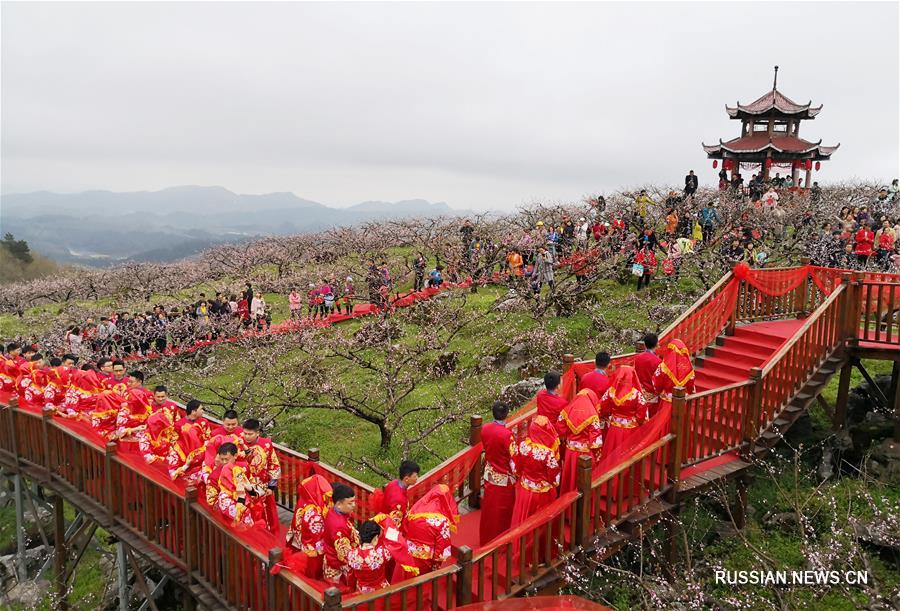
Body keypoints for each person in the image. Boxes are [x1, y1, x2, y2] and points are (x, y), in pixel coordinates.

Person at [510, 415, 560, 524]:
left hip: (525, 489)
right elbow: (555, 480)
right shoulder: (547, 453)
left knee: (523, 519)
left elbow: (515, 467)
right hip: (542, 494)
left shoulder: (523, 445)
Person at [479, 401, 516, 545]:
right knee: (503, 510)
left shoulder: (485, 429)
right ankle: (501, 539)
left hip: (490, 473)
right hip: (504, 476)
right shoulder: (507, 435)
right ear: (507, 415)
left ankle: (486, 538)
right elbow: (514, 458)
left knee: (489, 507)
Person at [402, 484, 459, 574]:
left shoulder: (415, 509)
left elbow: (405, 527)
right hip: (426, 556)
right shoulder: (442, 520)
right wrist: (436, 563)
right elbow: (442, 546)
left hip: (408, 550)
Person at [285, 474, 332, 580]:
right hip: (312, 550)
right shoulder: (314, 514)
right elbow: (316, 537)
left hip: (299, 541)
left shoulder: (304, 502)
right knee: (310, 576)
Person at [557, 389, 603, 494]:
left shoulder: (567, 411)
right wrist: (597, 456)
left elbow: (560, 429)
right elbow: (596, 442)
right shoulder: (593, 415)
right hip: (586, 454)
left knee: (570, 477)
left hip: (570, 452)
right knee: (585, 480)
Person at [242, 419, 282, 534]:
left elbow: (273, 465)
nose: (247, 437)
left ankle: (268, 535)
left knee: (267, 513)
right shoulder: (239, 444)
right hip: (245, 486)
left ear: (257, 433)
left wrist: (271, 486)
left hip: (263, 486)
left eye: (250, 434)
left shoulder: (266, 444)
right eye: (245, 433)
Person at [598, 367, 648, 457]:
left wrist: (608, 414)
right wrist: (638, 421)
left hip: (614, 428)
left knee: (613, 451)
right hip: (631, 429)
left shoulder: (611, 392)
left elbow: (602, 406)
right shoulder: (636, 394)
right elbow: (642, 412)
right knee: (629, 453)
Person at [210, 442, 255, 529]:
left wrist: (250, 490)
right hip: (229, 524)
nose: (224, 462)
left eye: (226, 459)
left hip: (249, 509)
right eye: (221, 459)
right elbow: (238, 516)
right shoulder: (214, 477)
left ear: (235, 456)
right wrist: (241, 497)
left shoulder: (242, 467)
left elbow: (252, 485)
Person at [323, 483, 360, 586]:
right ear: (339, 504)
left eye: (354, 501)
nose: (353, 505)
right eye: (350, 503)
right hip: (337, 566)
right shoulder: (339, 526)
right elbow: (344, 554)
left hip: (332, 557)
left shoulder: (333, 512)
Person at [168, 399, 212, 484]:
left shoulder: (204, 422)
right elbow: (173, 441)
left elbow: (208, 438)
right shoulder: (179, 424)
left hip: (201, 456)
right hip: (185, 456)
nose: (203, 411)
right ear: (193, 411)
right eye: (201, 409)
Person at [139, 386, 184, 466]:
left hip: (169, 435)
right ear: (154, 396)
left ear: (166, 395)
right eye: (158, 397)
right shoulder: (149, 407)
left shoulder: (172, 406)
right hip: (152, 435)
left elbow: (177, 422)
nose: (160, 399)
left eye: (163, 396)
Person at [112, 371, 153, 452]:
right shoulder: (127, 392)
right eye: (128, 381)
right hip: (126, 432)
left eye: (131, 382)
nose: (128, 383)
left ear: (139, 382)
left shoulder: (148, 395)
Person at [651, 339, 696, 415]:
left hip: (667, 401)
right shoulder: (689, 368)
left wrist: (660, 391)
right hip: (683, 402)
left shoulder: (663, 367)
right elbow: (691, 387)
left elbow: (656, 383)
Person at [347, 521, 392, 593]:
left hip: (361, 590)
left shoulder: (351, 554)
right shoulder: (382, 553)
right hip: (380, 590)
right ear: (376, 538)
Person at [634, 333, 662, 417]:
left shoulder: (637, 357)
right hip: (652, 395)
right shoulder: (658, 361)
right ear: (657, 344)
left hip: (640, 393)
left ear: (645, 344)